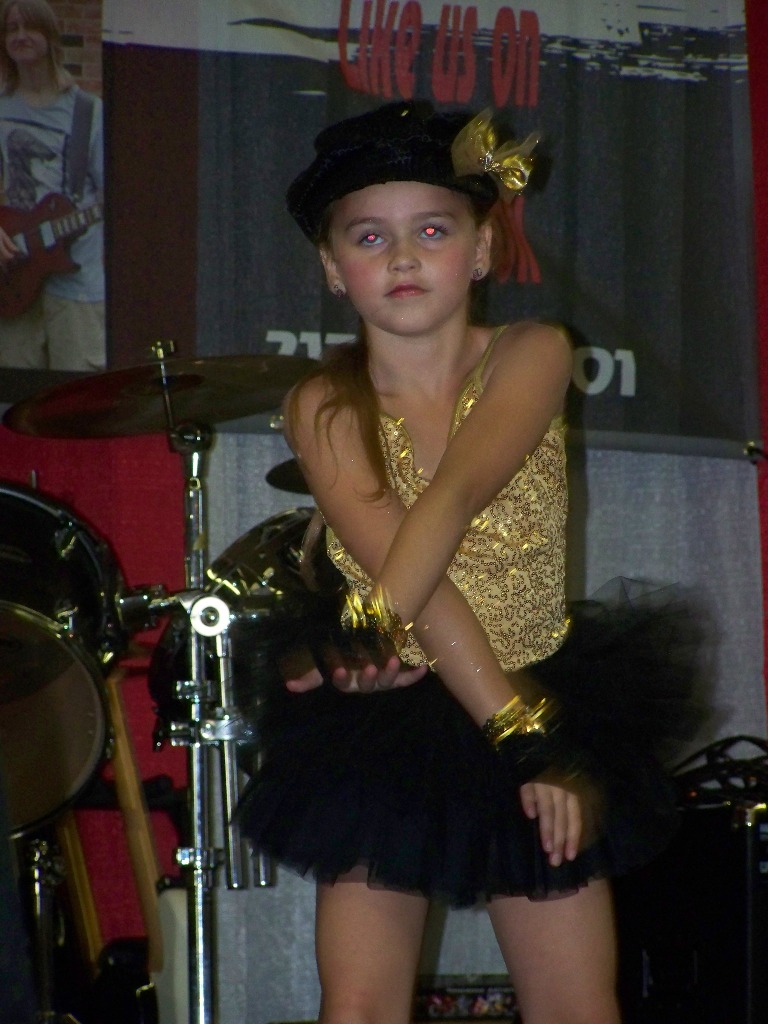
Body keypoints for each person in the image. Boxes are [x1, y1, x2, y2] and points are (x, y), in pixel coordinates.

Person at [237, 101, 704, 1024]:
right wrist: (378, 657)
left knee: (577, 1004)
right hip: (394, 727)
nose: (402, 257)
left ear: (483, 248)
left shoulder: (534, 352)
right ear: (331, 266)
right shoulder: (322, 404)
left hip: (530, 678)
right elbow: (406, 561)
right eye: (369, 237)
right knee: (358, 1005)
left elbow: (449, 502)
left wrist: (372, 641)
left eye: (433, 230)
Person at [0, 0, 104, 371]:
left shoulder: (87, 112)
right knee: (14, 396)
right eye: (11, 28)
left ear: (50, 36)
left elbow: (117, 197)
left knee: (77, 394)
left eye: (30, 27)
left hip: (76, 281)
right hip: (12, 277)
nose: (20, 36)